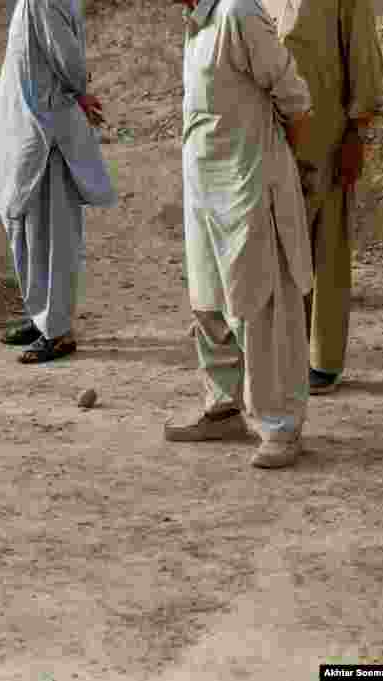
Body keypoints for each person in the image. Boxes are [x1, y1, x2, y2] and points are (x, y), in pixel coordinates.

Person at [163, 0, 315, 468]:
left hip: (249, 186)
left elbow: (295, 99)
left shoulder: (238, 13)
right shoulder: (195, 22)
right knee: (207, 301)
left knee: (262, 307)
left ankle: (281, 426)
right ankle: (223, 408)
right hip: (204, 189)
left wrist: (289, 172)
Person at [0, 0, 117, 364]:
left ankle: (57, 329)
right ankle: (42, 318)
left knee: (50, 234)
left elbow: (66, 59)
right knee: (25, 227)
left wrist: (79, 91)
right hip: (26, 130)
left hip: (45, 132)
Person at [264, 0, 383, 395]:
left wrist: (357, 130)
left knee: (328, 245)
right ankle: (285, 349)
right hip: (274, 130)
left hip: (328, 130)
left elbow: (362, 50)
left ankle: (324, 360)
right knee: (279, 242)